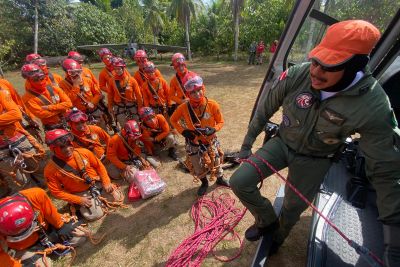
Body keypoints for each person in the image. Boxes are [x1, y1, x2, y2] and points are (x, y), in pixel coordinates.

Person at [230, 20, 400, 266]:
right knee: (239, 181)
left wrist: (394, 240)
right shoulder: (299, 73)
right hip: (281, 144)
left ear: (355, 66)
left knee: (292, 207)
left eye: (329, 65)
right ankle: (266, 221)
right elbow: (264, 110)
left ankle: (278, 237)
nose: (316, 71)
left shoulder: (372, 104)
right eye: (317, 60)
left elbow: (387, 170)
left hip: (315, 160)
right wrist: (247, 145)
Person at [170, 72, 229, 196]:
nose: (197, 94)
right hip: (194, 142)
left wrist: (214, 129)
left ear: (203, 89)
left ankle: (220, 178)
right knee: (197, 164)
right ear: (188, 94)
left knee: (216, 160)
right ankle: (204, 183)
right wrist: (183, 131)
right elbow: (173, 120)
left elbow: (221, 121)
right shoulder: (183, 108)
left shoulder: (212, 104)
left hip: (210, 140)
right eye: (193, 92)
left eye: (199, 90)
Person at [44, 129, 123, 221]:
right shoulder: (50, 170)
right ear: (53, 149)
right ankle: (87, 205)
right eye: (62, 147)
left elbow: (99, 167)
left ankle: (98, 200)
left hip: (95, 183)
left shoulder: (83, 152)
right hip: (80, 193)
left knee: (116, 198)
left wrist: (106, 182)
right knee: (95, 215)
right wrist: (78, 200)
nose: (68, 149)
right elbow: (56, 192)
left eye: (69, 144)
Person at [0, 188, 85, 267]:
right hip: (24, 248)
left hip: (47, 233)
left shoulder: (36, 195)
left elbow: (53, 217)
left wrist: (62, 226)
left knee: (80, 238)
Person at [0, 90, 46, 197]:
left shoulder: (1, 94)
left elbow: (15, 114)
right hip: (2, 152)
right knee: (19, 179)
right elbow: (10, 115)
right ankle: (34, 197)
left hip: (17, 138)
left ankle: (49, 187)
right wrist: (5, 119)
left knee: (38, 165)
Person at [21, 64, 72, 131]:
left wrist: (49, 107)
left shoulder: (55, 89)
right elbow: (41, 114)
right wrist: (61, 108)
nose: (40, 82)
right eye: (36, 80)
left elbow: (69, 104)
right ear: (29, 80)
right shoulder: (27, 98)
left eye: (42, 78)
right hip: (53, 127)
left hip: (69, 122)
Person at [59, 59, 104, 127]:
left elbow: (98, 94)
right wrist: (75, 86)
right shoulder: (62, 85)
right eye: (73, 73)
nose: (77, 75)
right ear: (67, 73)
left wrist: (92, 102)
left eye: (78, 72)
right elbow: (68, 101)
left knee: (102, 129)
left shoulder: (87, 80)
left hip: (94, 111)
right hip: (78, 116)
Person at [107, 57, 143, 127]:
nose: (117, 71)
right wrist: (110, 107)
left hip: (131, 105)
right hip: (119, 106)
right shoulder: (112, 81)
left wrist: (140, 107)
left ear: (123, 69)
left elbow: (138, 95)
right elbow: (110, 95)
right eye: (115, 69)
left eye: (119, 69)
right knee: (124, 125)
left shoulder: (132, 80)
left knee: (137, 124)